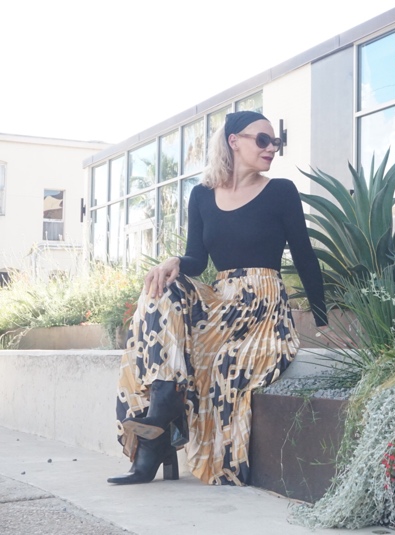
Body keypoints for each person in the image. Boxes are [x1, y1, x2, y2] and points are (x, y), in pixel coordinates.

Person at [107, 110, 329, 486]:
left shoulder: (280, 191)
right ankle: (163, 399)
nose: (271, 148)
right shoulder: (201, 195)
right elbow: (197, 259)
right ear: (234, 141)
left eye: (275, 142)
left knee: (220, 362)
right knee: (161, 286)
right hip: (221, 298)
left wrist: (322, 320)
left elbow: (304, 255)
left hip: (261, 305)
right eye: (263, 140)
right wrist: (175, 262)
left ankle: (157, 432)